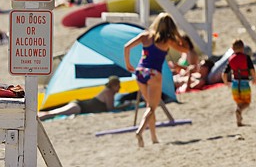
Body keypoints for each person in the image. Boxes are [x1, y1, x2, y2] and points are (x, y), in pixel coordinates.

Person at [124, 13, 189, 147]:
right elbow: (186, 49)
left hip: (140, 72)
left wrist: (128, 64)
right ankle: (140, 131)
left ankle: (154, 137)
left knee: (149, 105)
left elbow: (126, 47)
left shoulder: (145, 36)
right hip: (154, 74)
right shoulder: (167, 41)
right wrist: (177, 34)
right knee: (152, 107)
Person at [39, 76, 122, 121]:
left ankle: (38, 116)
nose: (119, 88)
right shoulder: (109, 92)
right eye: (118, 86)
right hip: (79, 107)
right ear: (114, 85)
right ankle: (37, 117)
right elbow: (110, 108)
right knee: (53, 113)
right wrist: (123, 107)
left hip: (79, 105)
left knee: (53, 112)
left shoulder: (109, 91)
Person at [222, 38, 255, 126]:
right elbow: (252, 70)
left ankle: (239, 121)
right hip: (244, 83)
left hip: (235, 83)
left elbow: (224, 73)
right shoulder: (246, 58)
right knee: (246, 103)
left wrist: (226, 82)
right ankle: (239, 111)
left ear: (232, 49)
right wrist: (255, 79)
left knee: (239, 102)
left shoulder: (230, 59)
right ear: (242, 48)